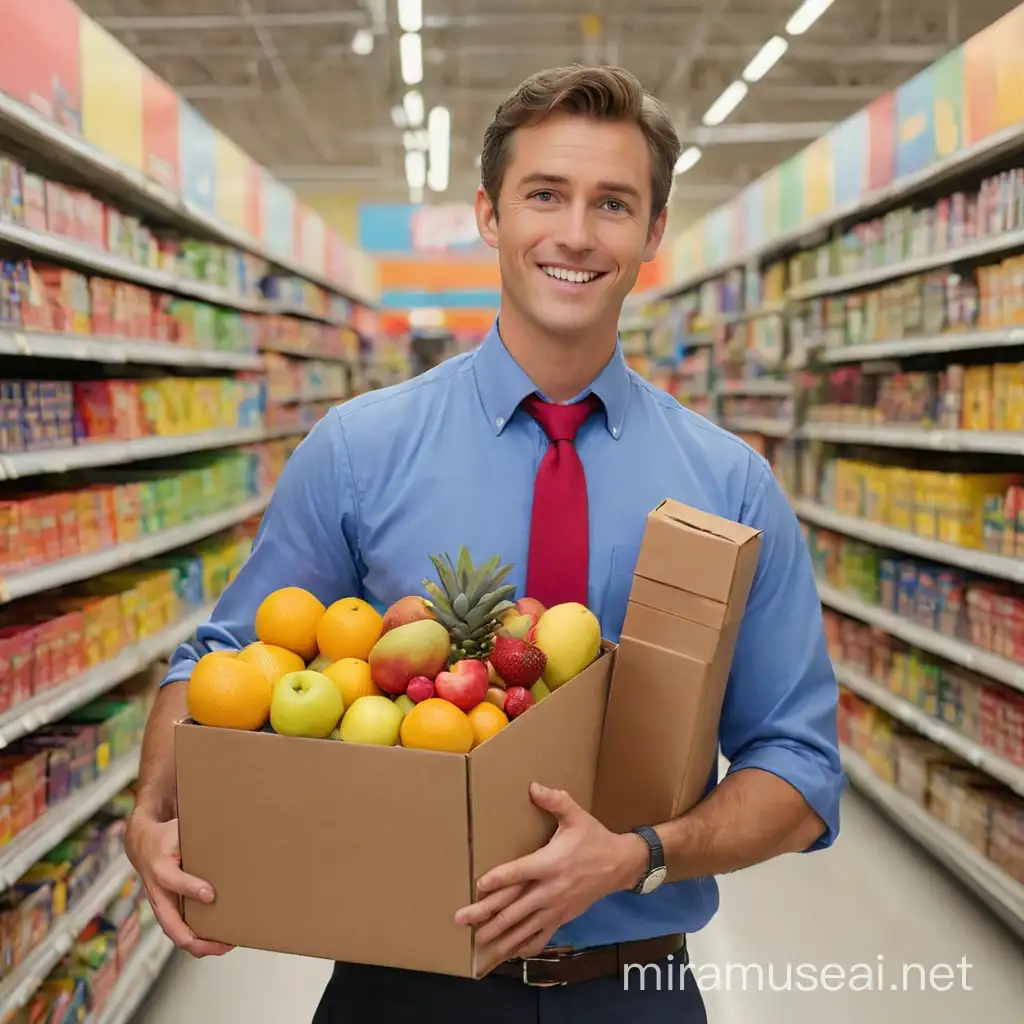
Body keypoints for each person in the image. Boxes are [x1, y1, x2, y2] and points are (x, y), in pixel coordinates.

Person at [125, 64, 845, 1022]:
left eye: (614, 204)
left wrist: (641, 854)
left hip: (633, 985)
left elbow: (800, 767)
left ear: (654, 234)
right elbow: (224, 656)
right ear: (489, 213)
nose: (576, 234)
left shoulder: (730, 485)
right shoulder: (359, 451)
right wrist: (153, 808)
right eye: (544, 194)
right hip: (398, 982)